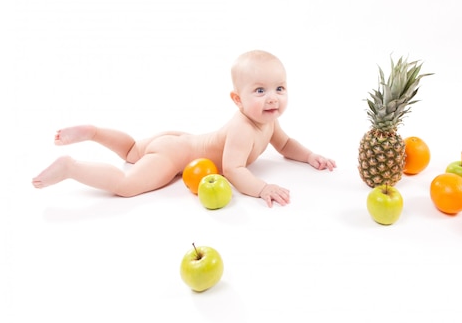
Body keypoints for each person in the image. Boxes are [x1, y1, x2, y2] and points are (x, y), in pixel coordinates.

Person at [31, 50, 336, 207]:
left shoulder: (268, 121)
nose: (273, 98)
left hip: (180, 140)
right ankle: (71, 167)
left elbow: (285, 144)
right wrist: (262, 188)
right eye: (260, 91)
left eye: (279, 88)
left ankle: (94, 132)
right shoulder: (244, 128)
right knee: (126, 185)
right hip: (177, 155)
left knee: (132, 150)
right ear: (237, 100)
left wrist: (310, 156)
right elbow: (233, 170)